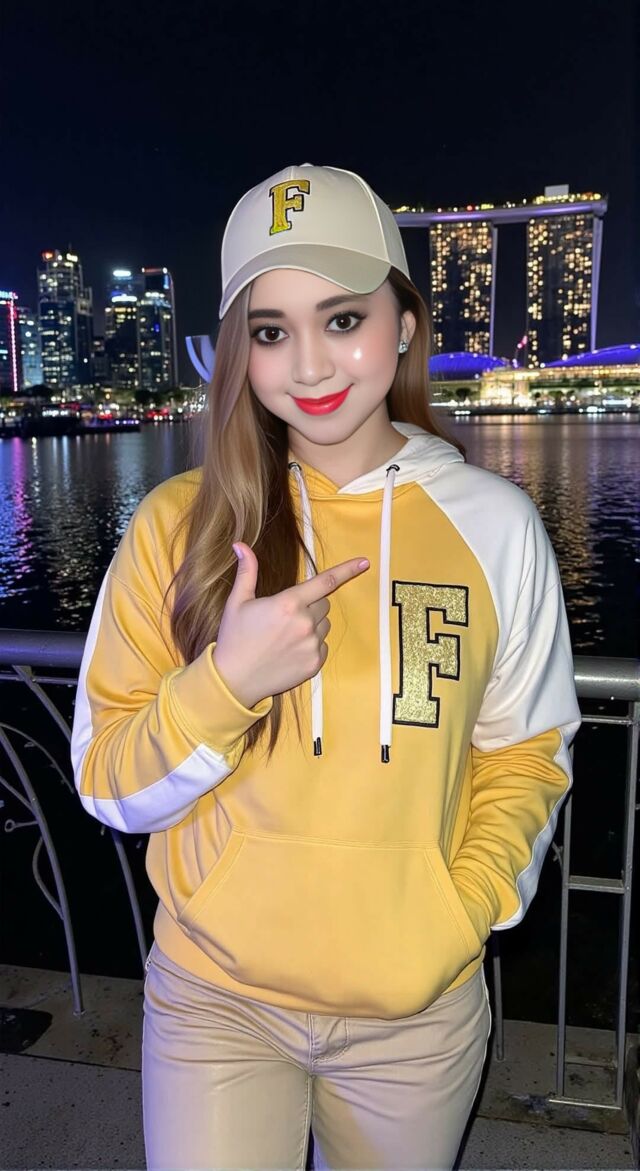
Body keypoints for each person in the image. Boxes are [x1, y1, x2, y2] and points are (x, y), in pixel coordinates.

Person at [70, 163, 581, 1171]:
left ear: (405, 324)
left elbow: (526, 753)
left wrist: (462, 910)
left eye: (342, 319)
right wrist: (225, 683)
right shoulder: (178, 526)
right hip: (215, 1000)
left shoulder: (497, 526)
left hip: (414, 1017)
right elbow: (106, 780)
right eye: (270, 331)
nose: (309, 364)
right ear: (239, 352)